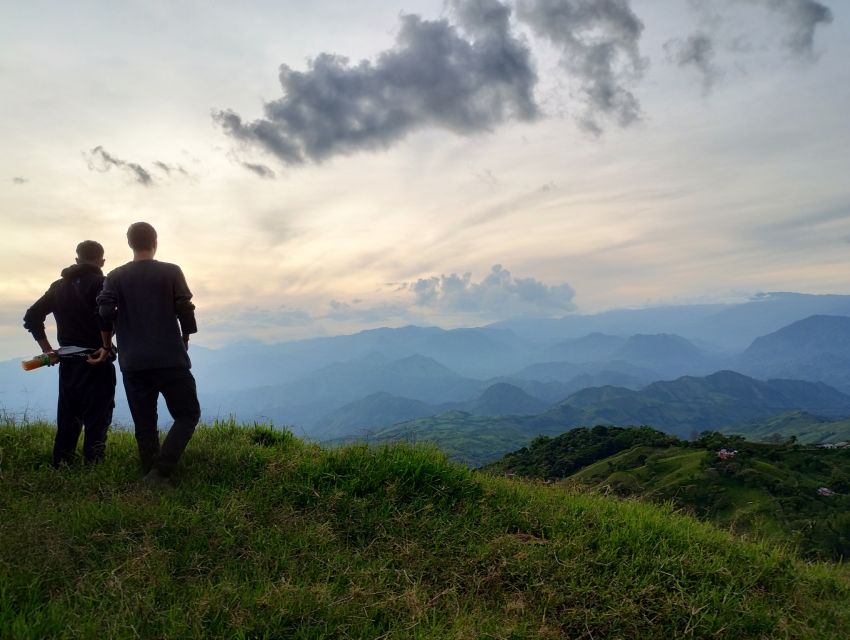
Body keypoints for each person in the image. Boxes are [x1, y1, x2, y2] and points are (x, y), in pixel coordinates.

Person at [94, 222, 201, 484]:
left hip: (133, 361)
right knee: (187, 414)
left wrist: (107, 346)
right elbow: (184, 307)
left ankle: (150, 472)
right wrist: (185, 337)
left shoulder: (116, 276)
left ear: (130, 243)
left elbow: (105, 313)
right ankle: (162, 470)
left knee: (145, 423)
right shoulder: (171, 271)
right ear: (155, 241)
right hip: (170, 358)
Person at [23, 240, 116, 467]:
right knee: (98, 416)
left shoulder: (58, 287)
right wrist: (105, 346)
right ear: (102, 261)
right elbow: (105, 315)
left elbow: (32, 316)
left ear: (77, 259)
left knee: (68, 416)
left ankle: (62, 464)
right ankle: (94, 465)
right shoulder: (103, 284)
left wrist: (48, 350)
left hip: (67, 362)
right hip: (97, 360)